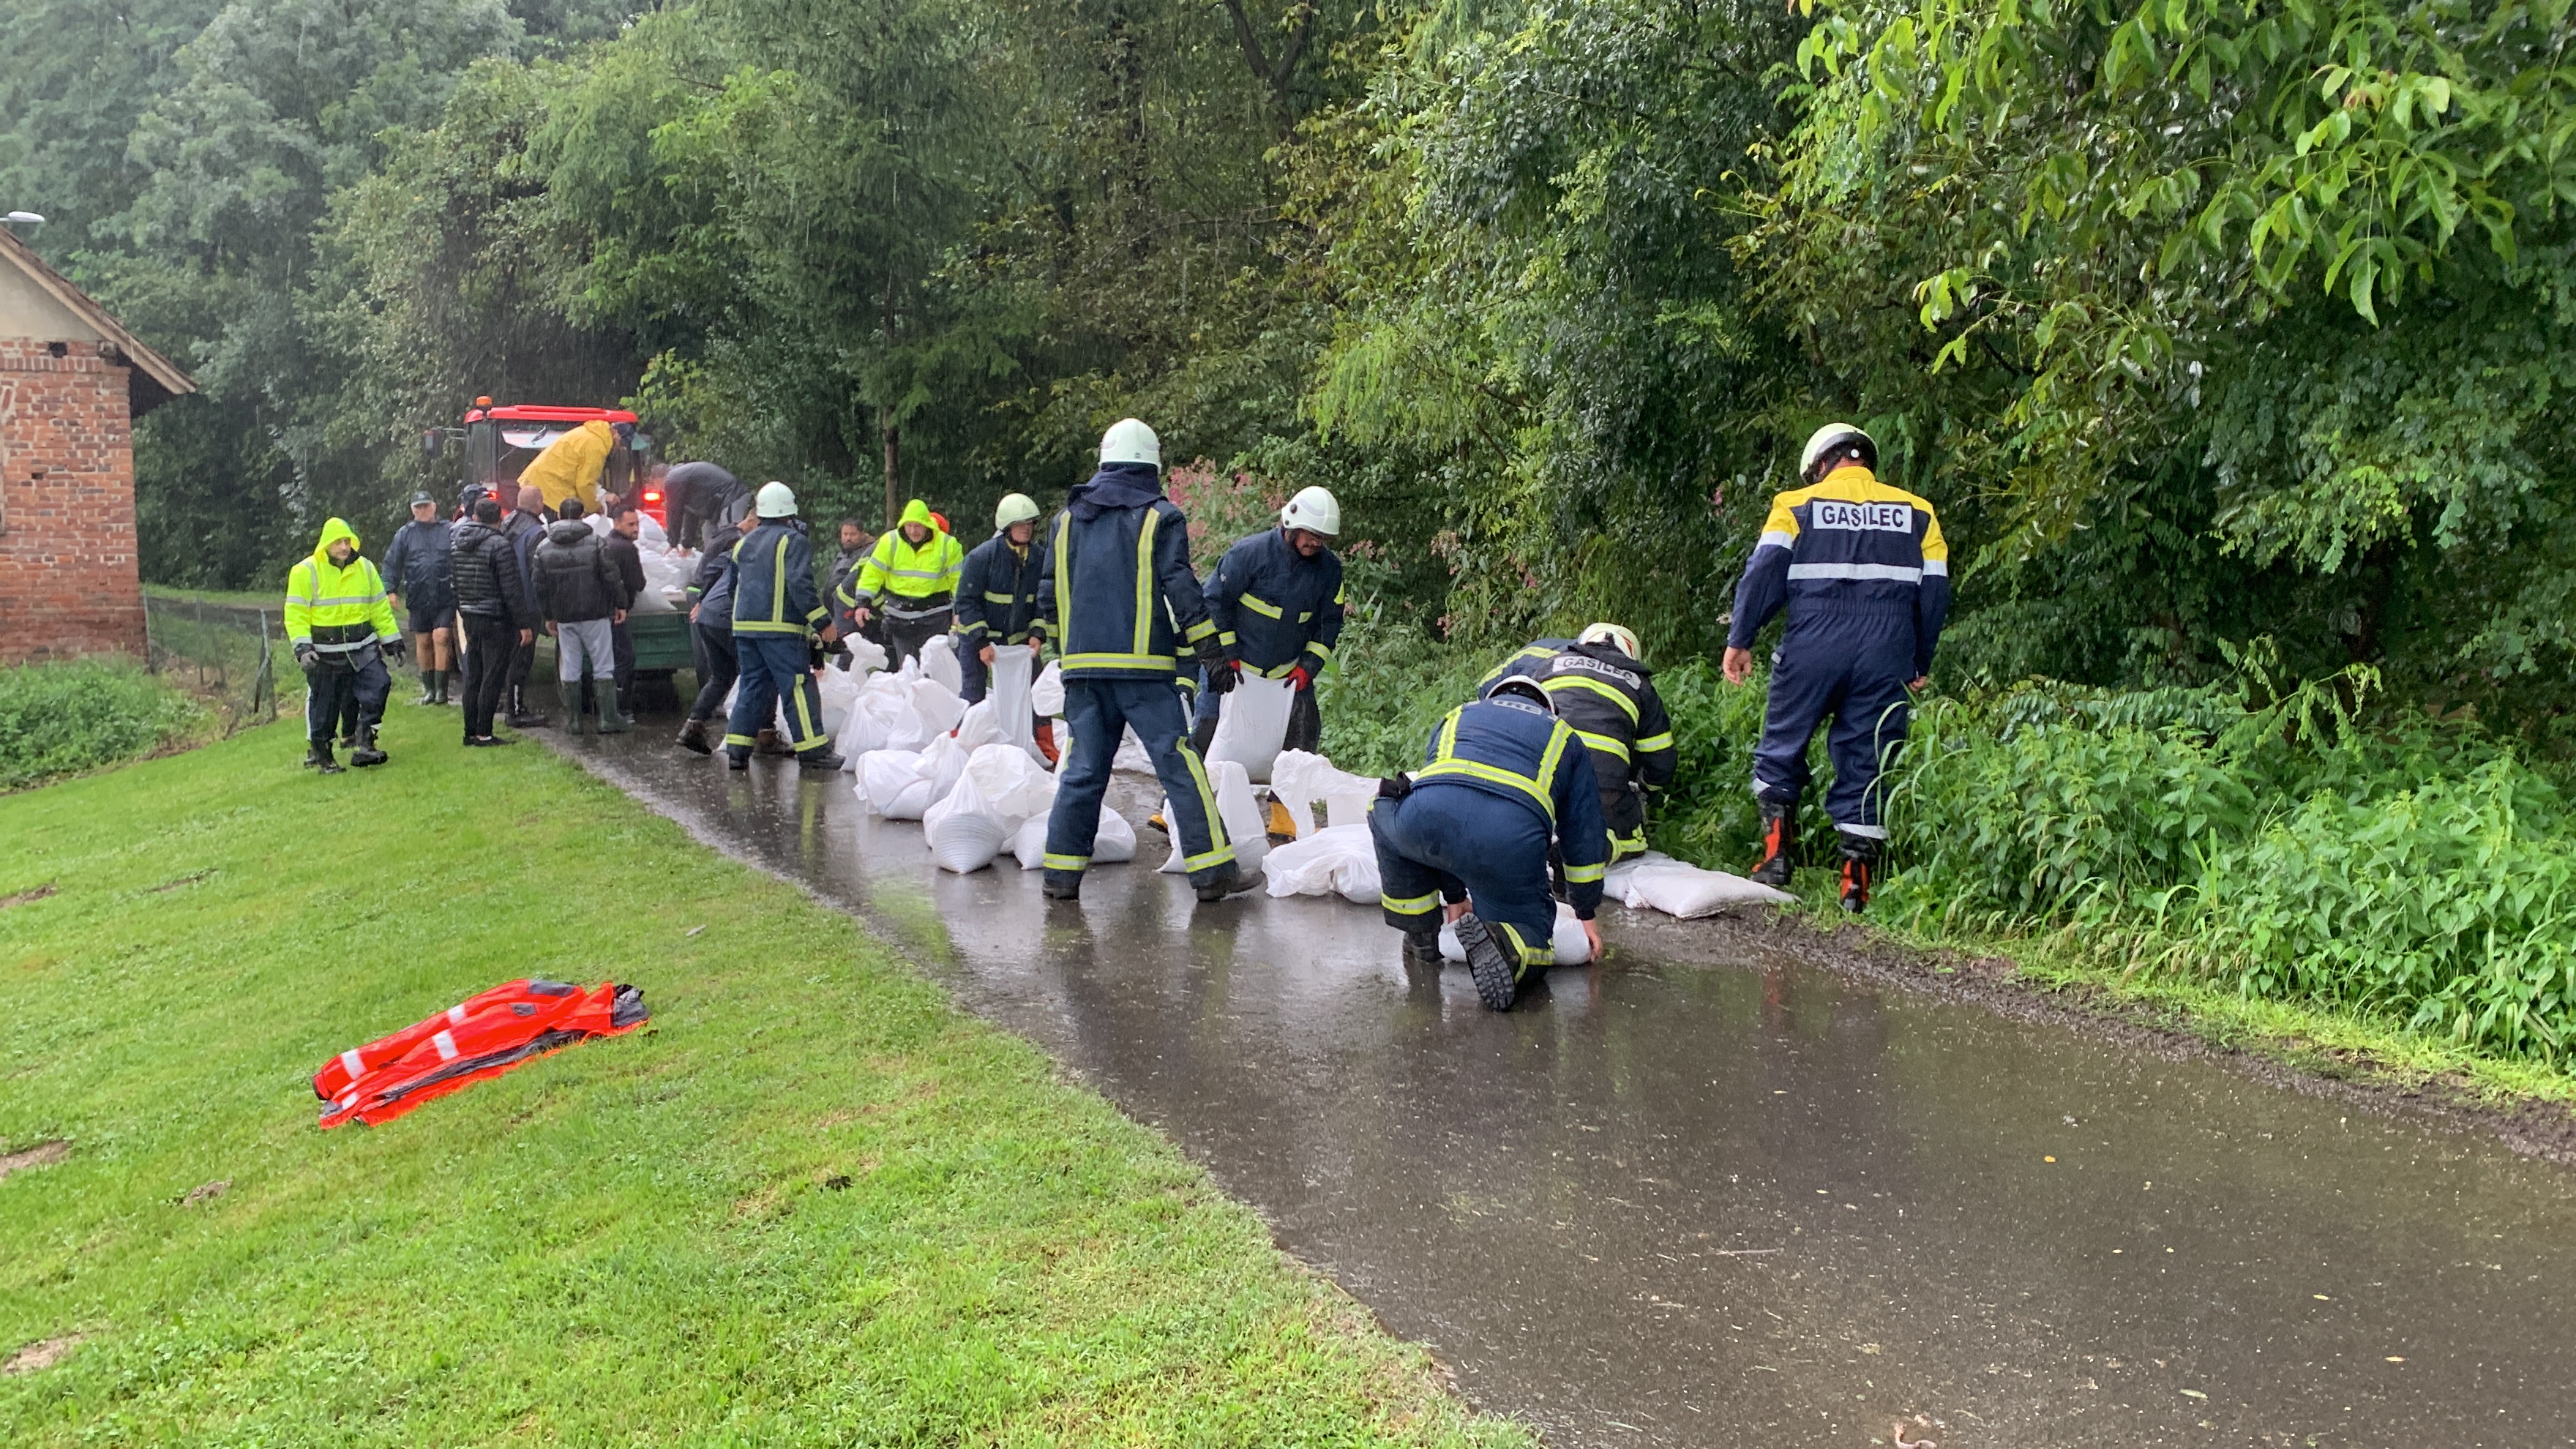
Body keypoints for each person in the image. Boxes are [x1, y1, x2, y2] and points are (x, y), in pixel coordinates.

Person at [1723, 422, 1950, 912]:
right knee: (1868, 759)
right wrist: (1919, 658)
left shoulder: (1795, 505)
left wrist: (1741, 638)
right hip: (1886, 650)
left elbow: (1763, 573)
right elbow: (1934, 592)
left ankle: (1775, 862)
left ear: (1821, 464)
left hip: (1813, 642)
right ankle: (1855, 890)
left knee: (1783, 746)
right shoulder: (1919, 513)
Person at [1035, 417, 1253, 905]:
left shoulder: (1065, 522)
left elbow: (1048, 597)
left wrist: (1066, 656)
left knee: (1082, 771)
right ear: (1151, 467)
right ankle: (1212, 873)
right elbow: (1183, 589)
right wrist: (1210, 653)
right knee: (1179, 765)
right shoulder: (1161, 518)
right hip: (1144, 674)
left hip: (1083, 673)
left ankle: (1060, 876)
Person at [1368, 675, 1609, 1011]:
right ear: (1548, 708)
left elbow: (1445, 803)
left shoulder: (1458, 715)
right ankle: (1505, 944)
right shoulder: (1563, 735)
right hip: (1510, 837)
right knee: (1533, 934)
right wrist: (1585, 911)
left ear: (1493, 698)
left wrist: (1455, 896)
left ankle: (1422, 936)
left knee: (1384, 809)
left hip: (1427, 818)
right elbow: (1583, 833)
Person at [1480, 623, 1676, 861]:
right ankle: (1598, 846)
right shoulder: (1641, 686)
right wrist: (1645, 788)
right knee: (1633, 839)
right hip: (1601, 792)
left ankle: (1539, 838)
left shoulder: (1547, 667)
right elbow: (1661, 761)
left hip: (1541, 785)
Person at [1194, 486, 1344, 758]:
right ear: (1292, 526)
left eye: (1322, 538)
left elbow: (1329, 624)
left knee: (1302, 743)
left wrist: (1307, 668)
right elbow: (1214, 602)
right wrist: (1226, 655)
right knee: (1207, 733)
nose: (1316, 543)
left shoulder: (1329, 571)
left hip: (1287, 677)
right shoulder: (1249, 554)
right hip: (1232, 668)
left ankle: (1280, 790)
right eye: (1311, 535)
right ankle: (1187, 785)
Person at [724, 482, 845, 771]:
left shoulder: (743, 543)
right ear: (790, 512)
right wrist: (823, 622)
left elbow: (732, 588)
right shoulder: (793, 541)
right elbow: (800, 586)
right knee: (798, 686)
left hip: (745, 628)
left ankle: (737, 751)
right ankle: (813, 751)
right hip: (781, 632)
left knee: (752, 687)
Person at [284, 518, 405, 773]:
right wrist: (302, 648)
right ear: (325, 544)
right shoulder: (305, 571)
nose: (344, 547)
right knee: (325, 706)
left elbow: (379, 607)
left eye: (347, 541)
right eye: (338, 542)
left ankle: (366, 742)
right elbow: (296, 614)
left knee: (379, 685)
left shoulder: (366, 568)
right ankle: (324, 756)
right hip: (325, 652)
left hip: (362, 647)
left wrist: (392, 639)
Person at [533, 497, 634, 735]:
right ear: (582, 517)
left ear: (559, 517)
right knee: (603, 665)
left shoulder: (543, 548)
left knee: (570, 666)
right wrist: (620, 603)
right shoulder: (596, 542)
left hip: (565, 617)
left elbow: (539, 587)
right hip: (596, 614)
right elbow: (612, 577)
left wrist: (549, 616)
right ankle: (607, 719)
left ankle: (574, 721)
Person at [449, 495, 536, 746]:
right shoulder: (500, 545)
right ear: (500, 519)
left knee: (473, 675)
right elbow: (511, 589)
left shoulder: (457, 544)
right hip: (496, 618)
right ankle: (484, 732)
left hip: (470, 615)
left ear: (476, 517)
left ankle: (470, 731)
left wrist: (464, 609)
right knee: (493, 675)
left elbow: (455, 584)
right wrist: (523, 624)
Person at [840, 498, 965, 670]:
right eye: (909, 525)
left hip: (935, 620)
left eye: (918, 526)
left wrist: (961, 611)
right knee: (907, 670)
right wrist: (863, 602)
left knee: (933, 671)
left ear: (927, 524)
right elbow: (873, 573)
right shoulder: (890, 542)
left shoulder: (947, 545)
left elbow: (959, 581)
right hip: (900, 620)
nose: (913, 531)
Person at [676, 509, 759, 754]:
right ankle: (752, 735)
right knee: (755, 673)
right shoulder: (749, 545)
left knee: (722, 676)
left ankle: (693, 727)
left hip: (709, 613)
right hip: (723, 616)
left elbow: (713, 569)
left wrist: (704, 601)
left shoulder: (732, 540)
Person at [953, 493, 1047, 705]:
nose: (1026, 529)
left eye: (1030, 523)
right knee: (973, 698)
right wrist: (982, 642)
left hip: (1019, 642)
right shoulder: (981, 557)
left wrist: (1037, 634)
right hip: (976, 640)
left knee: (1033, 698)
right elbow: (966, 602)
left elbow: (1041, 600)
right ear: (1007, 526)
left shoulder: (1039, 558)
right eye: (1020, 524)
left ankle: (1038, 730)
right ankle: (968, 727)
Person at [380, 491, 457, 705]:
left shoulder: (449, 530)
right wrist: (390, 590)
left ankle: (442, 690)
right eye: (418, 507)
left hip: (445, 595)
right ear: (412, 510)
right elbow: (391, 564)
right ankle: (429, 689)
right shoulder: (405, 534)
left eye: (426, 506)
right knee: (423, 641)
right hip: (418, 595)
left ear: (434, 506)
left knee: (441, 637)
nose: (423, 510)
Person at [501, 484, 551, 727]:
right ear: (539, 503)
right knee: (521, 660)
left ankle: (510, 705)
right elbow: (537, 574)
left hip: (506, 600)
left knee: (510, 656)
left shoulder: (506, 524)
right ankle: (516, 711)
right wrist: (547, 607)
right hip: (527, 604)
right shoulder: (536, 532)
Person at [517, 418, 626, 515]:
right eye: (621, 441)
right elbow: (584, 484)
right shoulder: (597, 446)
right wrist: (594, 508)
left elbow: (583, 479)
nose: (619, 445)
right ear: (615, 432)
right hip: (550, 489)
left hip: (542, 482)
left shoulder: (591, 434)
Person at [602, 506, 648, 718]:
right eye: (631, 524)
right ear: (617, 523)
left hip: (602, 611)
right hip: (617, 614)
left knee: (607, 660)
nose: (636, 529)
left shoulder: (604, 543)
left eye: (637, 524)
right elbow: (638, 583)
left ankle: (608, 707)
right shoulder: (627, 549)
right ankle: (621, 709)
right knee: (625, 659)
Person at [658, 460, 752, 550]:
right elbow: (690, 513)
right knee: (709, 533)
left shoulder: (673, 478)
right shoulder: (682, 478)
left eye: (659, 486)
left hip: (733, 494)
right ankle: (714, 560)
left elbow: (674, 511)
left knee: (729, 533)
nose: (663, 490)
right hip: (719, 503)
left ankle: (741, 558)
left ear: (658, 479)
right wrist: (687, 544)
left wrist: (673, 542)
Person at [832, 518, 875, 582]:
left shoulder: (870, 553)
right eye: (845, 534)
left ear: (862, 534)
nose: (848, 538)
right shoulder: (842, 554)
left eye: (853, 534)